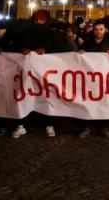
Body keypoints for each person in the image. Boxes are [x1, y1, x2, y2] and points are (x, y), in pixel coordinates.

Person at [12, 10, 71, 139]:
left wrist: (47, 51)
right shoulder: (25, 33)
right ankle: (21, 124)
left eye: (42, 19)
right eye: (37, 19)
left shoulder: (53, 34)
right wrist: (22, 50)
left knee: (47, 97)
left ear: (46, 20)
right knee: (24, 95)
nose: (39, 22)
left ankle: (48, 124)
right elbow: (15, 47)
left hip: (46, 73)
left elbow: (62, 50)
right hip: (27, 72)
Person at [77, 20, 109, 138]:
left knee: (104, 102)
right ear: (93, 30)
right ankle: (86, 126)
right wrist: (80, 53)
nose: (98, 32)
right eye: (96, 30)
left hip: (104, 79)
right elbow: (77, 58)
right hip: (89, 79)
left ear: (105, 30)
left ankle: (103, 126)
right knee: (87, 102)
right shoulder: (87, 42)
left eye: (101, 29)